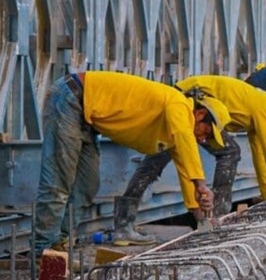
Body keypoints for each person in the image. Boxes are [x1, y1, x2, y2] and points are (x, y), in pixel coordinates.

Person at [33, 72, 229, 255]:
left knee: (86, 185)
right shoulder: (179, 105)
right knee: (59, 184)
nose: (204, 140)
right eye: (208, 132)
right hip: (71, 98)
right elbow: (187, 146)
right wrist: (202, 184)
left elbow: (186, 172)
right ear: (200, 114)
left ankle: (60, 246)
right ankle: (42, 252)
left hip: (86, 116)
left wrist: (202, 220)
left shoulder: (175, 131)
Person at [113, 75, 266, 245]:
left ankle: (124, 225)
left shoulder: (260, 104)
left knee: (156, 161)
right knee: (227, 152)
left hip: (192, 100)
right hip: (189, 102)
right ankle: (215, 217)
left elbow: (261, 156)